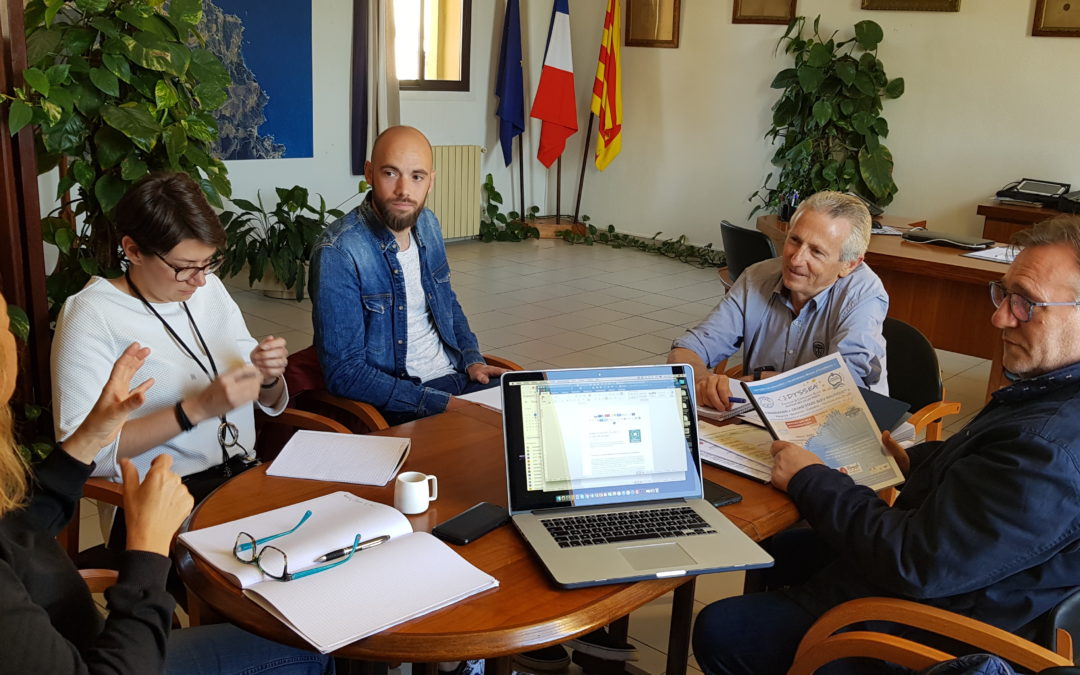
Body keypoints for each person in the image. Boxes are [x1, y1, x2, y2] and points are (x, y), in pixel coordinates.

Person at [692, 214, 1080, 675]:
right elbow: (985, 473)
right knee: (781, 553)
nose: (999, 317)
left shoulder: (1047, 447)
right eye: (1004, 295)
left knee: (721, 628)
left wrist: (809, 479)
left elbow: (913, 564)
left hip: (926, 627)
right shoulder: (1050, 393)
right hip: (965, 581)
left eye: (1026, 304)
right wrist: (912, 460)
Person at [0, 293, 333, 674]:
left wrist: (89, 436)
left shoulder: (210, 292)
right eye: (7, 330)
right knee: (308, 651)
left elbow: (21, 526)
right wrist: (147, 550)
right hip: (116, 654)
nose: (16, 339)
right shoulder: (91, 312)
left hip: (94, 636)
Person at [51, 172, 289, 534]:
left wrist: (268, 377)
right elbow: (85, 455)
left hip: (241, 479)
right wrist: (195, 409)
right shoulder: (92, 314)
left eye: (208, 264)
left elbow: (260, 394)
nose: (200, 280)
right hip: (159, 507)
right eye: (183, 268)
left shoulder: (207, 290)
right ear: (132, 251)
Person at [311, 126, 504, 425]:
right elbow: (344, 374)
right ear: (369, 173)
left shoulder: (427, 223)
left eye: (417, 176)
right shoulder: (339, 251)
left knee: (537, 419)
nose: (404, 190)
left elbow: (447, 302)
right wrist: (444, 404)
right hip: (405, 400)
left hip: (458, 380)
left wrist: (472, 359)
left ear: (431, 181)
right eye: (390, 173)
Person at [668, 191, 889, 411]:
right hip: (760, 415)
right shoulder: (756, 277)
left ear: (849, 265)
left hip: (839, 423)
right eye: (795, 240)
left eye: (816, 251)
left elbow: (844, 386)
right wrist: (700, 381)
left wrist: (773, 382)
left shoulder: (865, 295)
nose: (796, 259)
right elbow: (688, 348)